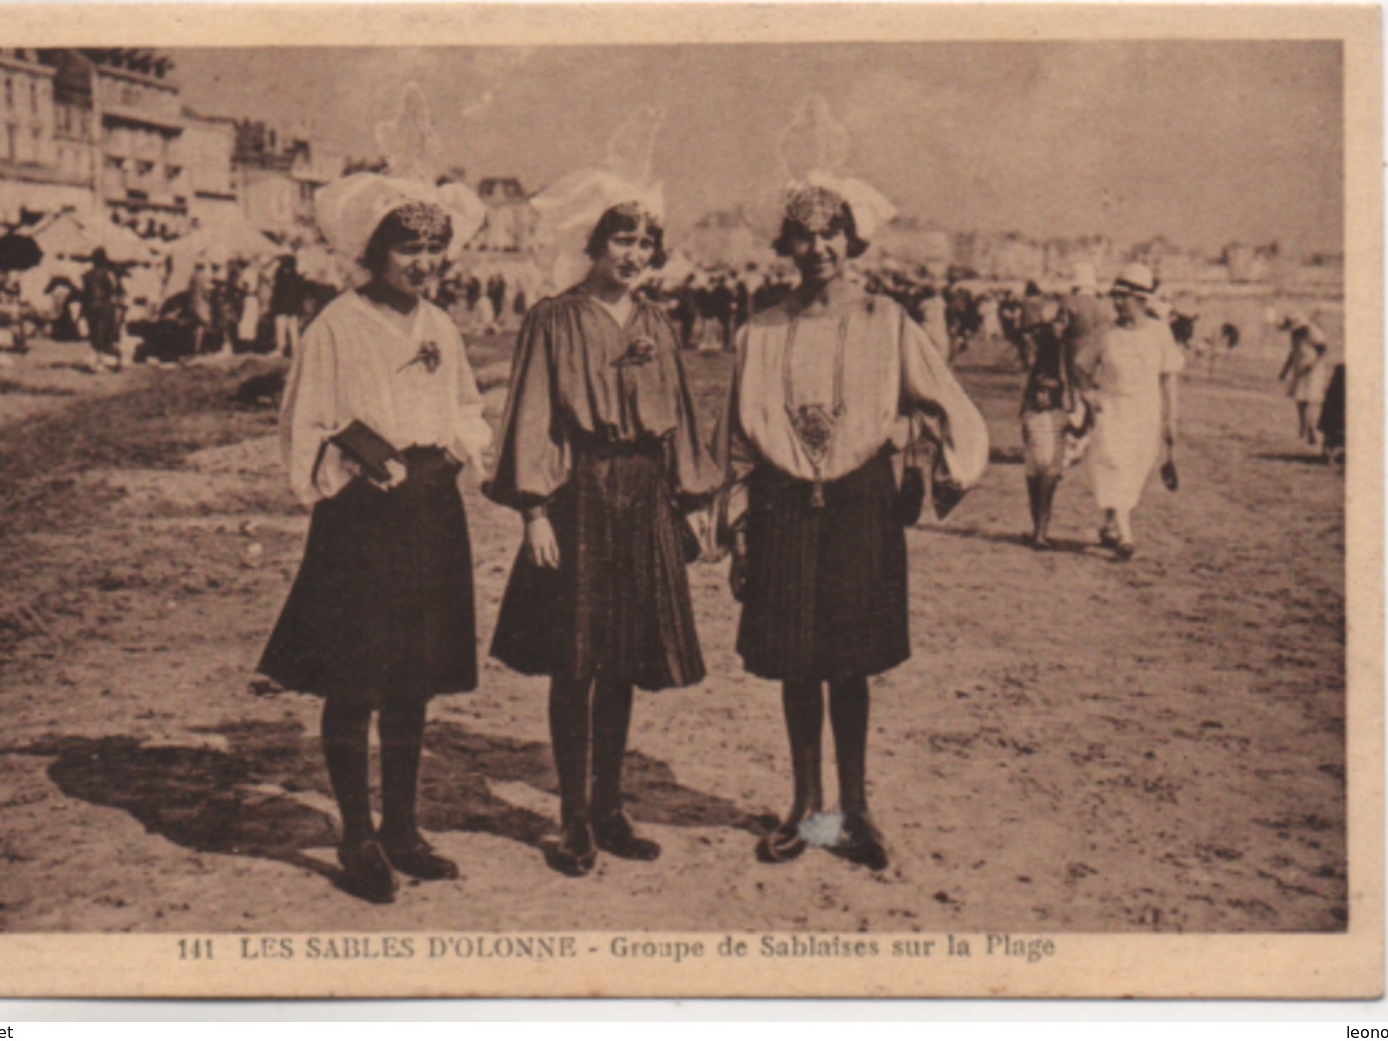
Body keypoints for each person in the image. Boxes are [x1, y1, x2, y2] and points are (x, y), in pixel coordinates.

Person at [712, 98, 989, 871]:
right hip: (783, 509)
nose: (818, 247)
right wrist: (735, 524)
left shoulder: (885, 320)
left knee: (850, 661)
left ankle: (855, 809)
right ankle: (804, 806)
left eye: (831, 233)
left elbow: (944, 400)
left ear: (853, 239)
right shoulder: (760, 329)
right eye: (803, 234)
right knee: (796, 662)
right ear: (786, 243)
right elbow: (738, 436)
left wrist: (950, 464)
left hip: (859, 505)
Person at [256, 90, 491, 904]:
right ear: (373, 248)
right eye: (407, 247)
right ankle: (355, 835)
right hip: (360, 516)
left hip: (430, 508)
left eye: (434, 247)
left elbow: (465, 406)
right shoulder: (336, 325)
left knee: (412, 679)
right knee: (354, 679)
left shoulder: (442, 326)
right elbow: (306, 423)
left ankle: (402, 825)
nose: (422, 262)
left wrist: (457, 450)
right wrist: (353, 462)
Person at [485, 111, 720, 877]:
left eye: (646, 244)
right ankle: (573, 818)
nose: (636, 255)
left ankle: (612, 807)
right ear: (592, 243)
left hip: (644, 494)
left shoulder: (657, 318)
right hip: (580, 492)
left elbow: (680, 415)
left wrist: (691, 502)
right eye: (622, 241)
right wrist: (533, 511)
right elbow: (533, 413)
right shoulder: (555, 319)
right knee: (574, 662)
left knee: (623, 660)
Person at [1076, 263, 1183, 560]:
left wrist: (1171, 420)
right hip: (1111, 407)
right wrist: (1088, 396)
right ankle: (1125, 533)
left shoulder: (1160, 333)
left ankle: (1110, 524)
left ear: (1141, 299)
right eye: (1115, 296)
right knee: (1115, 464)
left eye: (1124, 297)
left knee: (1134, 470)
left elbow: (1169, 377)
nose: (1118, 303)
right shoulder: (1105, 333)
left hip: (1146, 411)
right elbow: (1081, 367)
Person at [1018, 294, 1077, 549]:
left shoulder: (1054, 343)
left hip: (1043, 410)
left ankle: (1039, 528)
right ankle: (1040, 530)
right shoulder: (1051, 344)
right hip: (1047, 410)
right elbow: (1041, 378)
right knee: (1045, 471)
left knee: (1041, 471)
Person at [1278, 313, 1330, 446]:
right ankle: (1304, 430)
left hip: (1312, 370)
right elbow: (1293, 352)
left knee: (1309, 400)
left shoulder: (1312, 332)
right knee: (1300, 400)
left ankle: (1310, 431)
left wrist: (1312, 364)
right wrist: (1285, 370)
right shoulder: (1295, 334)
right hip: (1299, 368)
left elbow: (1322, 349)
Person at [81, 247, 126, 372]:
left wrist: (82, 313)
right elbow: (117, 291)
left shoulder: (86, 275)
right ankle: (104, 361)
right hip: (105, 306)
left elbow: (84, 295)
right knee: (107, 333)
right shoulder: (109, 274)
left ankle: (96, 360)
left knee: (95, 333)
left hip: (91, 306)